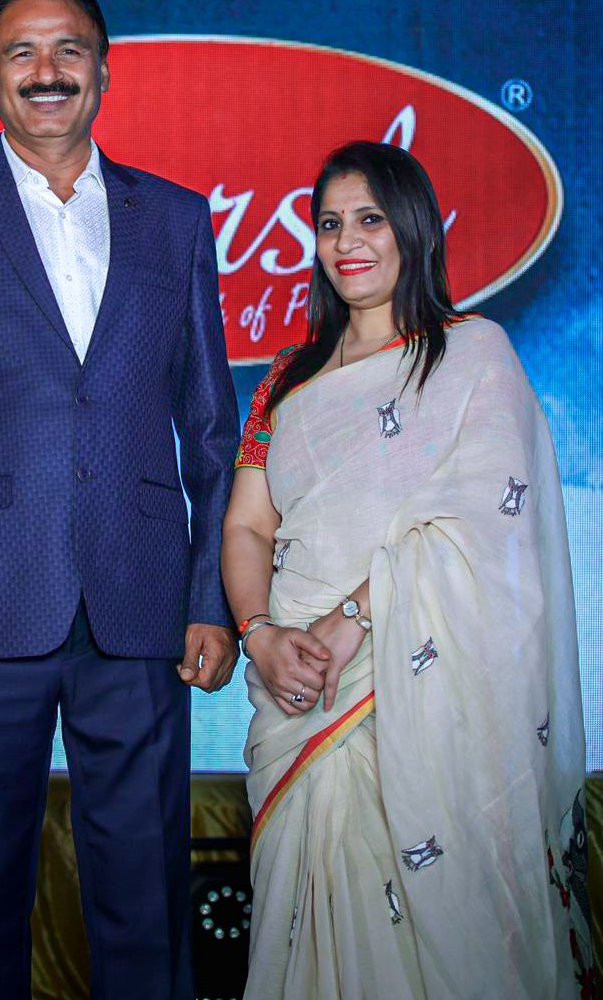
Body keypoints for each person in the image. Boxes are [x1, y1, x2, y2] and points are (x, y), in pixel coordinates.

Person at [0, 0, 240, 999]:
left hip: (143, 604)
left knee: (146, 892)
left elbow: (212, 430)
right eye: (20, 53)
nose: (46, 71)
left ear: (103, 71)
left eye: (67, 49)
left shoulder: (175, 219)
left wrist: (212, 599)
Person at [221, 140, 590, 999]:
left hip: (415, 691)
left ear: (414, 229)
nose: (347, 241)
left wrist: (355, 618)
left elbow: (484, 524)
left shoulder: (472, 355)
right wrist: (260, 636)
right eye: (329, 224)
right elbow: (246, 525)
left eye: (370, 219)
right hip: (297, 687)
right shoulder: (289, 378)